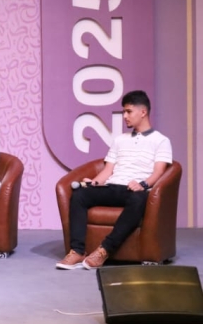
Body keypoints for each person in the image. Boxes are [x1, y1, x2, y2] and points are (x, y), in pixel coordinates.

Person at [56, 90, 172, 270]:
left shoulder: (161, 141)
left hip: (134, 190)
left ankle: (104, 250)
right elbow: (108, 170)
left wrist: (143, 184)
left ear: (143, 112)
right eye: (124, 111)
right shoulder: (119, 140)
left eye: (128, 111)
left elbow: (159, 172)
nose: (124, 116)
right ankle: (77, 251)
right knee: (79, 195)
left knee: (138, 199)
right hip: (113, 186)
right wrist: (94, 183)